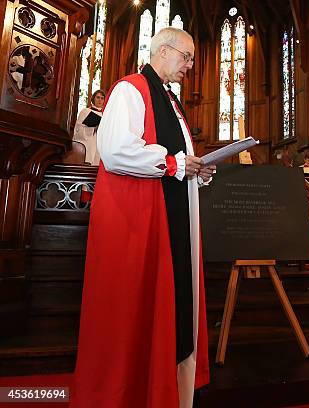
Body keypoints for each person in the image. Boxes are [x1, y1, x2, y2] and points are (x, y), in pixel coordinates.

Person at [72, 28, 215, 408]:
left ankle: (167, 392)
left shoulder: (171, 101)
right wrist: (175, 163)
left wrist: (194, 170)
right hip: (138, 219)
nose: (189, 65)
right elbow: (117, 151)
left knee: (169, 309)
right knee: (132, 313)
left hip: (167, 213)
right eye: (186, 57)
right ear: (164, 50)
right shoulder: (130, 89)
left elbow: (175, 162)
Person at [73, 90, 105, 165]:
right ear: (93, 98)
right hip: (88, 144)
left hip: (100, 146)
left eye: (102, 98)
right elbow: (78, 129)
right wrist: (93, 129)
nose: (100, 100)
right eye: (98, 97)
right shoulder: (85, 111)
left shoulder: (106, 115)